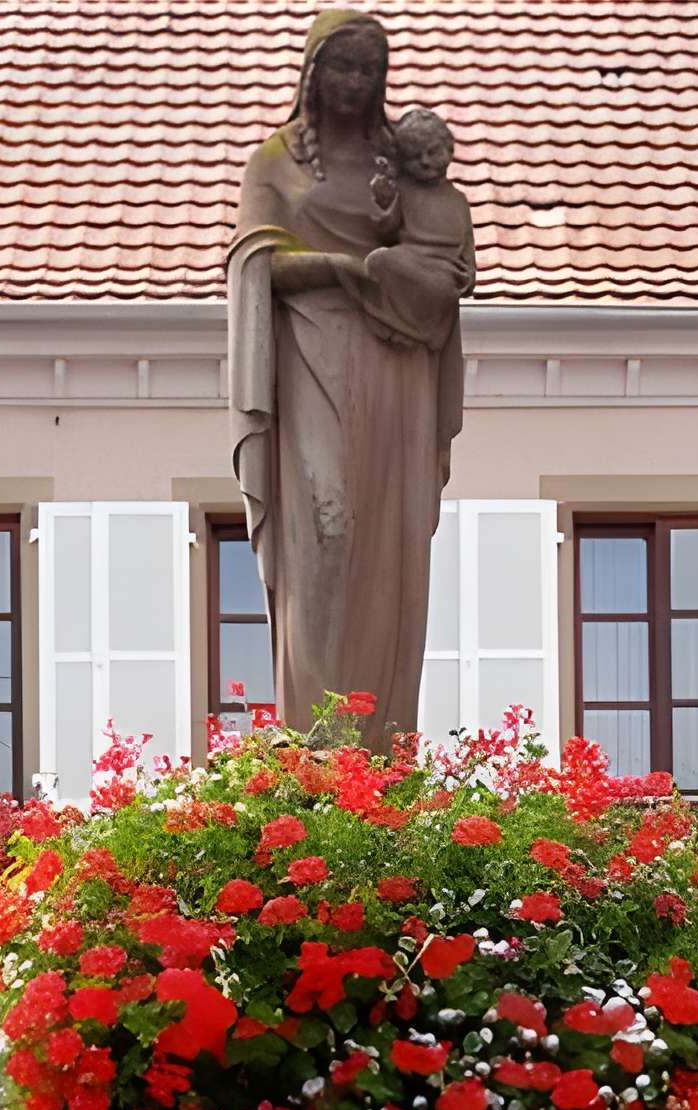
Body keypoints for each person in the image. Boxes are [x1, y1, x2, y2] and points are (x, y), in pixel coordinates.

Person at [227, 10, 471, 744]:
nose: (355, 82)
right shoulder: (276, 162)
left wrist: (407, 253)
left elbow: (443, 245)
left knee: (389, 539)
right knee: (323, 529)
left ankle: (380, 745)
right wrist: (338, 267)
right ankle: (315, 742)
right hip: (310, 350)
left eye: (368, 68)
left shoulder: (401, 161)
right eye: (342, 66)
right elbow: (256, 262)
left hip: (395, 361)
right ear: (313, 72)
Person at [348, 107, 475, 352]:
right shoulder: (403, 190)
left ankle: (422, 329)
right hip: (409, 264)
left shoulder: (458, 199)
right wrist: (385, 200)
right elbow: (387, 228)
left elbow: (467, 249)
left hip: (444, 276)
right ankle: (409, 329)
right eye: (415, 156)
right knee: (379, 261)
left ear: (448, 149)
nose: (425, 160)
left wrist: (467, 275)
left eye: (432, 152)